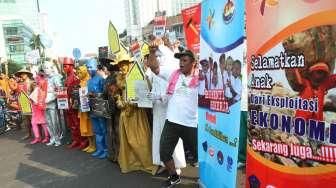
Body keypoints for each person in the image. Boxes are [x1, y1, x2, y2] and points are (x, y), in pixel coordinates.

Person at [148, 40, 198, 187]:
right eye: (180, 60)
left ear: (193, 63)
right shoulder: (173, 74)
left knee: (200, 156)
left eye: (184, 60)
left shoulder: (201, 78)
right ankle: (174, 176)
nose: (181, 63)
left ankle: (207, 180)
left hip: (190, 124)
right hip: (172, 122)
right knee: (164, 152)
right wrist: (152, 52)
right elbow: (154, 67)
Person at [146, 40, 186, 175]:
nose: (157, 58)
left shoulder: (173, 71)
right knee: (158, 136)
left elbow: (175, 92)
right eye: (156, 56)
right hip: (158, 110)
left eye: (159, 55)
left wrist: (160, 97)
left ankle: (177, 165)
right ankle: (164, 162)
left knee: (171, 138)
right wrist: (150, 95)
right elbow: (152, 85)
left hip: (170, 110)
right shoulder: (155, 71)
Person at [115, 54, 157, 174]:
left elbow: (143, 93)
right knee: (127, 140)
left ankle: (145, 162)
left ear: (129, 64)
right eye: (120, 65)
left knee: (140, 139)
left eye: (124, 64)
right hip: (124, 112)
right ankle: (129, 162)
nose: (122, 67)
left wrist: (133, 103)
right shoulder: (120, 78)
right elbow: (119, 92)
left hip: (136, 114)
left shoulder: (136, 75)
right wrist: (119, 100)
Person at [63, 57, 88, 149]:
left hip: (74, 104)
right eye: (63, 66)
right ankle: (76, 140)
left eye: (65, 66)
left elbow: (77, 91)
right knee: (71, 124)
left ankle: (82, 140)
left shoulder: (75, 77)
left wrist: (73, 103)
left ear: (71, 66)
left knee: (77, 123)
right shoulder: (67, 77)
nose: (64, 68)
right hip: (67, 103)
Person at [86, 58, 108, 159]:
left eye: (90, 67)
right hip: (92, 108)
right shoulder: (89, 81)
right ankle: (99, 149)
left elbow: (105, 94)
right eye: (87, 67)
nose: (88, 70)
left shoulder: (101, 79)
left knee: (103, 129)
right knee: (96, 129)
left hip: (100, 107)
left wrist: (94, 94)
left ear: (95, 67)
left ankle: (106, 150)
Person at [43, 60, 63, 147]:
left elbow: (60, 90)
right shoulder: (44, 79)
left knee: (55, 122)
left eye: (47, 68)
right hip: (44, 103)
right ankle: (52, 138)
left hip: (52, 103)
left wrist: (52, 94)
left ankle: (58, 138)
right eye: (44, 68)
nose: (46, 70)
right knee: (48, 122)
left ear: (51, 68)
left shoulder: (56, 77)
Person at [77, 65, 96, 153]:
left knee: (90, 126)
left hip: (88, 108)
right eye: (78, 73)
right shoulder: (80, 82)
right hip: (82, 108)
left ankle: (94, 145)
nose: (79, 74)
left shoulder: (89, 81)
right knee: (85, 127)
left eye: (80, 72)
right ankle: (90, 144)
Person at [29, 72, 50, 144]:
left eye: (37, 79)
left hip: (39, 108)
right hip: (35, 110)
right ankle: (38, 137)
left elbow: (39, 98)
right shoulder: (37, 89)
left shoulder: (40, 88)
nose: (36, 81)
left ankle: (46, 137)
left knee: (43, 122)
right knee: (34, 123)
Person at [15, 68, 34, 140]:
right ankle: (28, 134)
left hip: (31, 103)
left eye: (24, 74)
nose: (22, 76)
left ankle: (38, 134)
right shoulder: (19, 84)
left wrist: (32, 100)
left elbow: (35, 93)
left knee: (33, 120)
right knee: (26, 120)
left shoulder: (32, 82)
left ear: (27, 75)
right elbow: (18, 94)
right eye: (21, 74)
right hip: (23, 103)